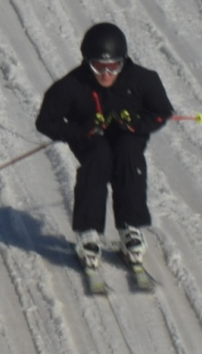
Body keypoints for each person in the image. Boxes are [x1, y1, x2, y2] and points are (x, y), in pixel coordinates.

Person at [35, 22, 174, 269]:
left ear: (123, 61)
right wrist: (81, 130)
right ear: (87, 62)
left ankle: (130, 227)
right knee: (98, 157)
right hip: (90, 138)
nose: (106, 74)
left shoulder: (143, 80)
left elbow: (161, 112)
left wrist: (136, 123)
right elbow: (46, 122)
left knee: (128, 154)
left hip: (128, 135)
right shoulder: (73, 86)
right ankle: (88, 231)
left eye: (114, 66)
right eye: (98, 66)